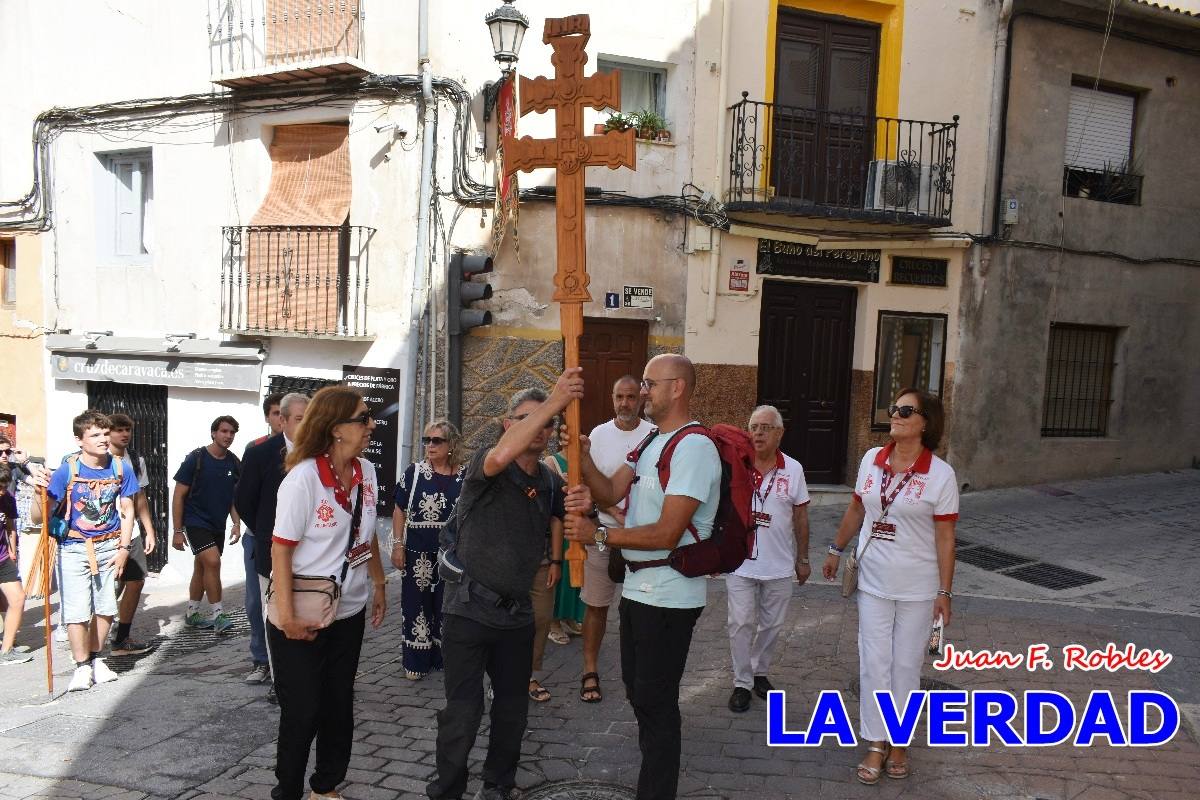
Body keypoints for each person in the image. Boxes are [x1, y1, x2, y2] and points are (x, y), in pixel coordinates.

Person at [563, 354, 722, 800]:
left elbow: (669, 532)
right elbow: (611, 490)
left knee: (656, 704)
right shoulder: (653, 442)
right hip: (639, 588)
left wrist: (599, 535)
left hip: (670, 596)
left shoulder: (694, 447)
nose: (644, 392)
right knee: (641, 696)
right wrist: (585, 456)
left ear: (679, 388)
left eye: (652, 384)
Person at [428, 373, 582, 800]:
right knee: (463, 711)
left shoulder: (548, 479)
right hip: (469, 609)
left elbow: (567, 513)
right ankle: (448, 790)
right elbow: (500, 457)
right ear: (506, 425)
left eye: (544, 422)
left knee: (512, 710)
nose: (539, 428)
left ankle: (498, 784)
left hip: (516, 614)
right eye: (525, 420)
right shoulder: (486, 463)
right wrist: (554, 402)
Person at [822, 388, 958, 785]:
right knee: (874, 661)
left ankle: (900, 740)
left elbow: (946, 537)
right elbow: (857, 508)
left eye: (905, 410)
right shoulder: (871, 460)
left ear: (926, 423)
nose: (894, 414)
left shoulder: (940, 474)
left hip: (919, 585)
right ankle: (877, 742)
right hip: (874, 581)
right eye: (893, 408)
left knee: (905, 666)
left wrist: (945, 592)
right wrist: (835, 547)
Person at [268, 385, 386, 800]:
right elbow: (280, 550)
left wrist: (379, 581)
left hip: (347, 611)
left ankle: (326, 787)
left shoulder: (367, 472)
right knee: (303, 711)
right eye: (363, 418)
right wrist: (286, 616)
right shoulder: (302, 478)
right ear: (336, 428)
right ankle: (288, 791)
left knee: (338, 705)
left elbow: (366, 532)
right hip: (300, 611)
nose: (371, 425)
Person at [31, 410, 139, 691]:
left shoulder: (121, 468)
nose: (103, 439)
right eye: (95, 435)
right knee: (77, 611)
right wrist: (37, 491)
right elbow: (37, 517)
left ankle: (96, 658)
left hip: (109, 545)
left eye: (105, 433)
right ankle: (81, 666)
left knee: (105, 608)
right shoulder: (68, 470)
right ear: (80, 440)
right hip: (74, 546)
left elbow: (128, 509)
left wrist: (125, 548)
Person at [725, 405, 810, 713]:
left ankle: (759, 672)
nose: (757, 433)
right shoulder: (737, 465)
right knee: (741, 622)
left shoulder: (794, 469)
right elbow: (720, 509)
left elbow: (801, 515)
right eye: (753, 427)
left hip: (779, 563)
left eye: (765, 427)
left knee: (772, 625)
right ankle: (741, 682)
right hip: (739, 561)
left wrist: (803, 558)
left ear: (779, 433)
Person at [575, 375, 653, 703]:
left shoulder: (654, 436)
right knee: (596, 606)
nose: (624, 403)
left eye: (631, 397)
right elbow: (589, 483)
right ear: (612, 398)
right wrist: (613, 510)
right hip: (602, 532)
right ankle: (589, 670)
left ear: (642, 399)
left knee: (644, 609)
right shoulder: (599, 435)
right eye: (619, 396)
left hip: (642, 538)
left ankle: (644, 674)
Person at [237, 393, 310, 690]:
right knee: (275, 616)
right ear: (281, 420)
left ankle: (306, 677)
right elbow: (244, 500)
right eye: (298, 419)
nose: (306, 426)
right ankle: (280, 682)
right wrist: (268, 533)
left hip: (312, 555)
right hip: (271, 551)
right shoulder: (260, 453)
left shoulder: (321, 453)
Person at [390, 420, 464, 681]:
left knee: (447, 606)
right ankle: (416, 660)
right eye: (426, 440)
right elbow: (399, 508)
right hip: (418, 552)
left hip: (451, 554)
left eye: (437, 440)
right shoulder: (415, 472)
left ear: (451, 444)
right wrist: (398, 545)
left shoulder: (464, 476)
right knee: (416, 605)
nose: (430, 445)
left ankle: (443, 658)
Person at [172, 416, 242, 632]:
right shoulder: (197, 458)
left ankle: (192, 613)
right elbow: (178, 495)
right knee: (212, 562)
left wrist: (236, 523)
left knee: (202, 566)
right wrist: (177, 530)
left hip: (217, 525)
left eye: (232, 432)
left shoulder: (233, 462)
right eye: (224, 431)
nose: (228, 436)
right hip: (195, 521)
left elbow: (233, 497)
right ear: (213, 433)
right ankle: (219, 615)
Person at [106, 413, 158, 656]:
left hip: (132, 530)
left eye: (127, 429)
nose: (124, 434)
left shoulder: (135, 460)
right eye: (119, 430)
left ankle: (121, 637)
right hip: (105, 532)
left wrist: (149, 530)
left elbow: (141, 499)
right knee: (108, 586)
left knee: (136, 581)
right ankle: (91, 640)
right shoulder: (99, 459)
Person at [542, 444, 584, 648]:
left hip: (580, 525)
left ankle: (570, 616)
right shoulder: (551, 462)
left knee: (576, 576)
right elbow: (547, 494)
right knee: (560, 575)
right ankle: (553, 622)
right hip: (560, 526)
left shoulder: (583, 462)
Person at [0, 464, 33, 665]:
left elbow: (10, 525)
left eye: (4, 487)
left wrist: (13, 550)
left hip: (3, 558)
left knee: (18, 598)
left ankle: (7, 650)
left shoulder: (7, 499)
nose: (1, 492)